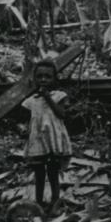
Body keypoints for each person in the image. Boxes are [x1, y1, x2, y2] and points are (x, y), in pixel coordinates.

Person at [22, 59, 72, 212]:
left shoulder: (59, 96)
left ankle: (55, 201)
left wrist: (48, 97)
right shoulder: (30, 101)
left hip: (53, 139)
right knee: (39, 172)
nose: (43, 79)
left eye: (48, 76)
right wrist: (22, 129)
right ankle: (38, 202)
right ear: (34, 78)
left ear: (54, 78)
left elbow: (62, 114)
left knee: (53, 171)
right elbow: (26, 121)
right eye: (40, 76)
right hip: (38, 140)